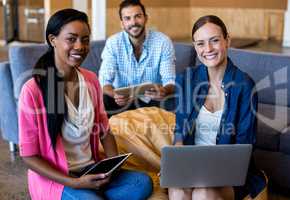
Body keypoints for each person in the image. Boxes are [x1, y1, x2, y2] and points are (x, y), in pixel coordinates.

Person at [18, 8, 152, 200]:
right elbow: (29, 156)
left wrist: (113, 166)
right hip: (59, 180)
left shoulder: (90, 80)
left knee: (142, 183)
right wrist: (74, 183)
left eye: (85, 39)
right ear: (52, 40)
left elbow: (105, 131)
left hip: (91, 170)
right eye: (71, 39)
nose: (80, 46)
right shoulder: (33, 90)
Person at [170, 15, 266, 200]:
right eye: (200, 43)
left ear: (227, 40)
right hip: (192, 166)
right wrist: (177, 159)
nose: (208, 49)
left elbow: (245, 144)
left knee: (203, 194)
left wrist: (210, 175)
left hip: (228, 172)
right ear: (195, 46)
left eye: (214, 40)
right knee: (177, 191)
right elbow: (180, 130)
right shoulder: (186, 79)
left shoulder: (245, 85)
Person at [99, 0, 176, 116]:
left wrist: (164, 91)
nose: (133, 22)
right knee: (104, 99)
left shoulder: (163, 42)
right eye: (127, 18)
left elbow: (170, 81)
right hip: (122, 102)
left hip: (153, 101)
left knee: (173, 99)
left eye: (138, 16)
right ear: (122, 23)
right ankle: (109, 132)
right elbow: (104, 82)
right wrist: (115, 95)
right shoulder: (113, 43)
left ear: (145, 18)